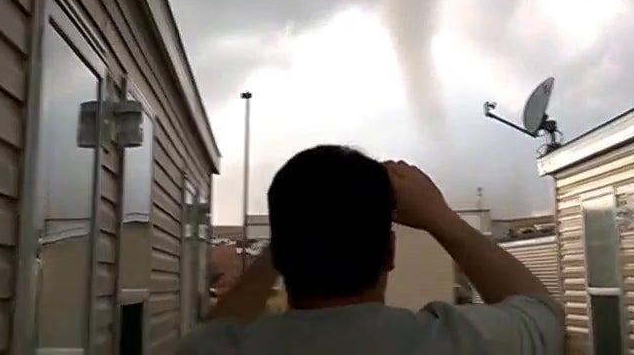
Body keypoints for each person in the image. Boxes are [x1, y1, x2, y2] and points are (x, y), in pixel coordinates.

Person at [179, 145, 563, 354]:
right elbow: (542, 311)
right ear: (390, 253)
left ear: (280, 253)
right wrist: (441, 218)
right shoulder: (457, 342)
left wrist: (292, 230)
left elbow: (215, 331)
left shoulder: (216, 349)